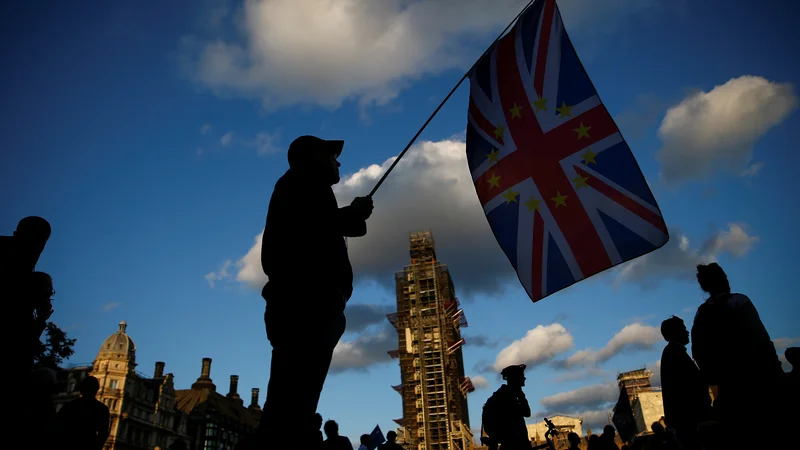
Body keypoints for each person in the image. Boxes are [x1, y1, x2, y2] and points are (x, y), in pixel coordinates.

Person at [256, 136, 374, 446]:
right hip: (304, 305)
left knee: (298, 394)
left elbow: (333, 225)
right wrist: (354, 212)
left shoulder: (309, 188)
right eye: (331, 154)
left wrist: (354, 214)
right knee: (294, 394)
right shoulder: (300, 182)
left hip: (313, 305)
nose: (338, 161)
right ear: (310, 157)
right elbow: (318, 224)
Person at [690, 263, 786, 446]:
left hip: (728, 386)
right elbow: (761, 339)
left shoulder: (701, 314)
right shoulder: (740, 302)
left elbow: (698, 352)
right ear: (723, 280)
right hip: (758, 380)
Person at [660, 316, 710, 449]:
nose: (687, 332)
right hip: (690, 420)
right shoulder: (674, 353)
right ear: (674, 332)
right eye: (683, 329)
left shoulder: (673, 352)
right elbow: (686, 387)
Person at [482, 364, 531, 450]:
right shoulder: (507, 397)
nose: (524, 378)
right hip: (515, 444)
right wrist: (521, 396)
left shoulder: (505, 394)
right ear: (515, 378)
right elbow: (526, 412)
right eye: (522, 376)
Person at [57, 376, 110, 450]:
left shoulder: (70, 405)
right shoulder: (102, 409)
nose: (89, 390)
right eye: (88, 387)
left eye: (90, 387)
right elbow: (103, 433)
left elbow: (58, 426)